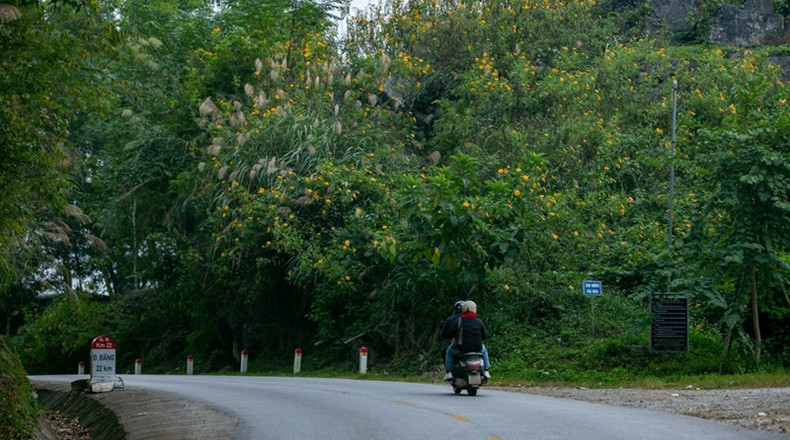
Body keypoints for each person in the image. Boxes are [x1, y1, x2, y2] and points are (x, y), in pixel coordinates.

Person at [440, 300, 490, 380]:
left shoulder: (459, 321)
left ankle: (448, 372)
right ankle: (487, 369)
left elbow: (449, 333)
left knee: (449, 351)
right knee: (484, 349)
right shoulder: (479, 321)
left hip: (462, 349)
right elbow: (484, 336)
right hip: (477, 348)